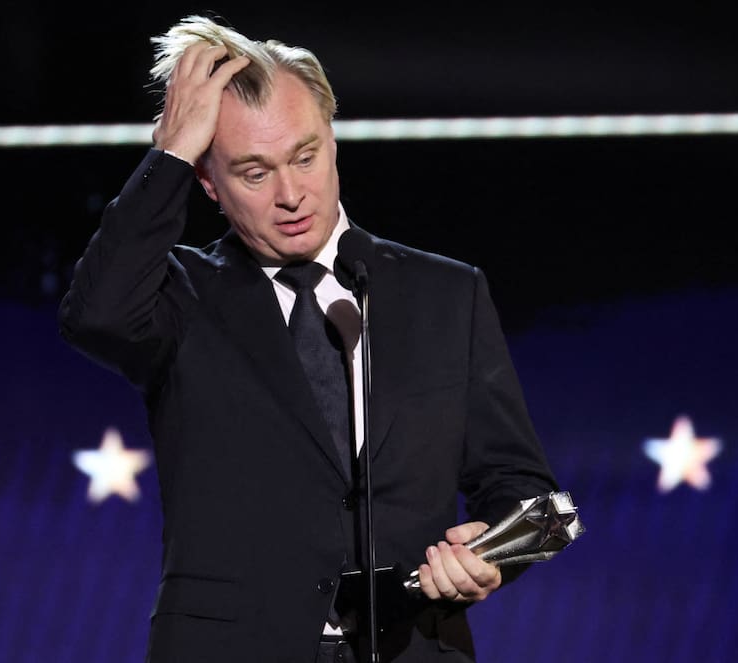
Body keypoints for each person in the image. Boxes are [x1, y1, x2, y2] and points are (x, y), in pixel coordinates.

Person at [58, 13, 559, 663]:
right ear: (208, 181)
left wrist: (491, 554)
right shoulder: (180, 296)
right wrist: (172, 152)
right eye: (254, 172)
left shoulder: (447, 293)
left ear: (332, 142)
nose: (292, 194)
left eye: (305, 155)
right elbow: (94, 315)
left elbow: (529, 497)